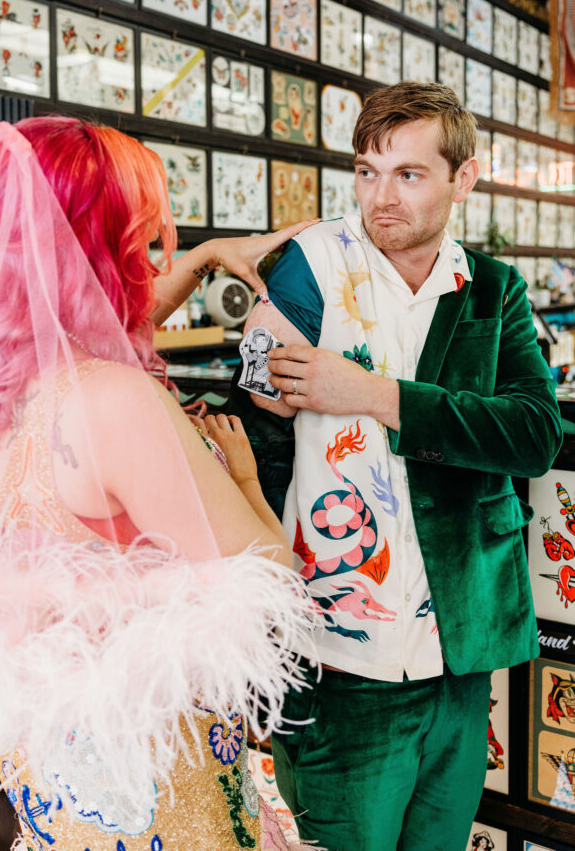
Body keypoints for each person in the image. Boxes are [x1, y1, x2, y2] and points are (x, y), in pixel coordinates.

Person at [0, 114, 316, 851]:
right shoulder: (113, 401)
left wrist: (207, 257)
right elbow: (265, 581)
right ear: (98, 248)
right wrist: (244, 481)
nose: (153, 262)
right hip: (159, 777)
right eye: (143, 240)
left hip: (50, 776)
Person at [228, 82, 562, 851]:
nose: (381, 196)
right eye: (367, 171)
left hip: (461, 636)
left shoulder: (491, 289)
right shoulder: (314, 260)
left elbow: (534, 434)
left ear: (462, 178)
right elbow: (253, 380)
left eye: (408, 174)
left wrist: (376, 395)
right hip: (337, 646)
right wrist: (259, 376)